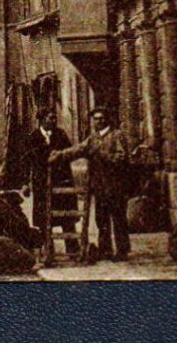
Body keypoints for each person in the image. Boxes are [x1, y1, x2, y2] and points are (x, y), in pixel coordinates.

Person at [51, 108, 132, 261]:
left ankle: (122, 250)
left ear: (107, 119)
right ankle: (105, 250)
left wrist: (102, 154)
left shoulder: (116, 135)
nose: (99, 121)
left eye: (101, 118)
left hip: (115, 186)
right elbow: (77, 150)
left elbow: (121, 158)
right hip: (99, 186)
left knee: (118, 219)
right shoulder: (92, 138)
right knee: (101, 220)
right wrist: (59, 155)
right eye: (96, 119)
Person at [27, 109, 74, 255]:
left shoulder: (61, 134)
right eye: (51, 118)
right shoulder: (33, 137)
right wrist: (25, 183)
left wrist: (59, 156)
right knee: (44, 218)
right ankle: (48, 248)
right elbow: (28, 162)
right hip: (42, 183)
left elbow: (69, 153)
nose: (54, 121)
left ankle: (72, 248)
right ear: (42, 120)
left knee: (67, 216)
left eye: (55, 118)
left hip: (61, 181)